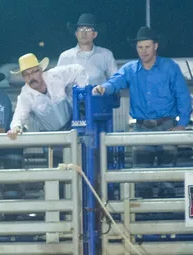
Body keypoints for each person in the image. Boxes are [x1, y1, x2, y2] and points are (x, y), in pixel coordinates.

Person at [93, 26, 191, 197]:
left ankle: (166, 214)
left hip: (167, 126)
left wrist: (182, 124)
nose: (143, 51)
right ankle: (144, 215)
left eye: (147, 46)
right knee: (141, 177)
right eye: (140, 47)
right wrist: (104, 88)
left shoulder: (170, 67)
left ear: (155, 46)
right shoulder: (130, 69)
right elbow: (116, 81)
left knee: (168, 177)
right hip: (142, 127)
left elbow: (183, 96)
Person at [57, 13, 118, 86]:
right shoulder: (66, 56)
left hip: (98, 96)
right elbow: (57, 83)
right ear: (76, 34)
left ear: (95, 34)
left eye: (88, 29)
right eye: (80, 29)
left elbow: (115, 81)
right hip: (72, 97)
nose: (84, 33)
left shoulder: (106, 55)